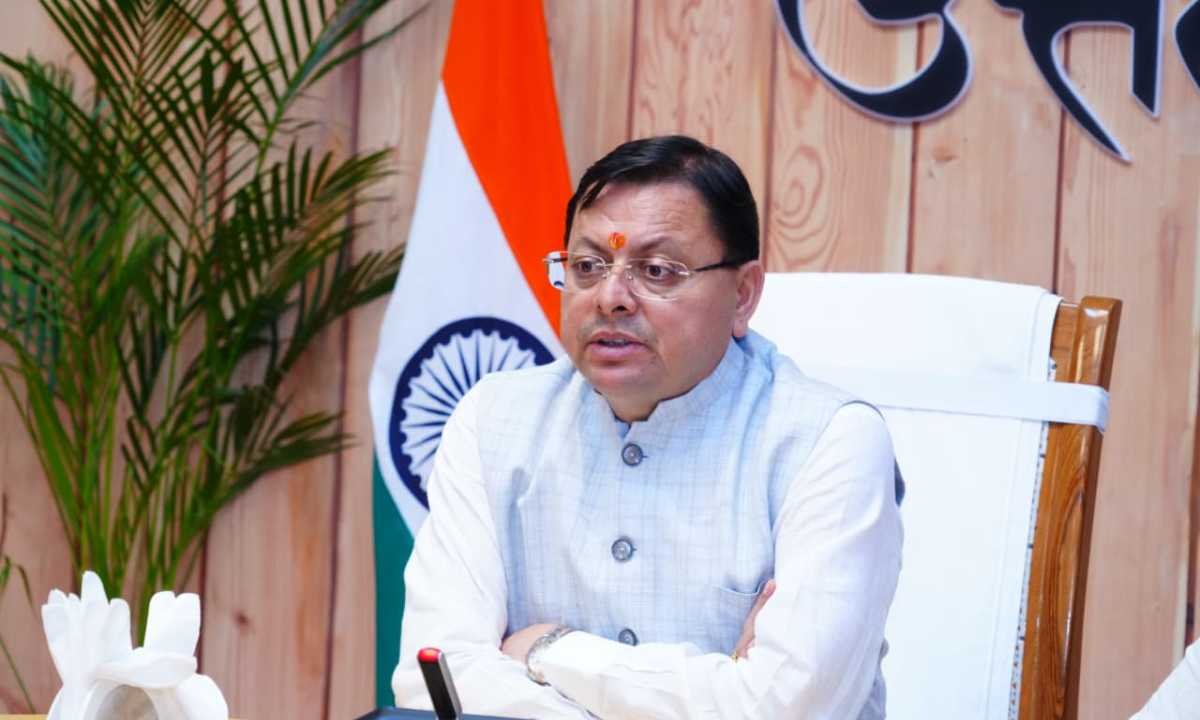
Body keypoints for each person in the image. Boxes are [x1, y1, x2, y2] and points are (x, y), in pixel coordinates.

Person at [392, 135, 903, 719]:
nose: (610, 298)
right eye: (588, 266)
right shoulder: (493, 421)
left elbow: (786, 710)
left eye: (657, 270)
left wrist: (549, 650)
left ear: (742, 295)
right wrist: (723, 690)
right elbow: (433, 678)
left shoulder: (827, 442)